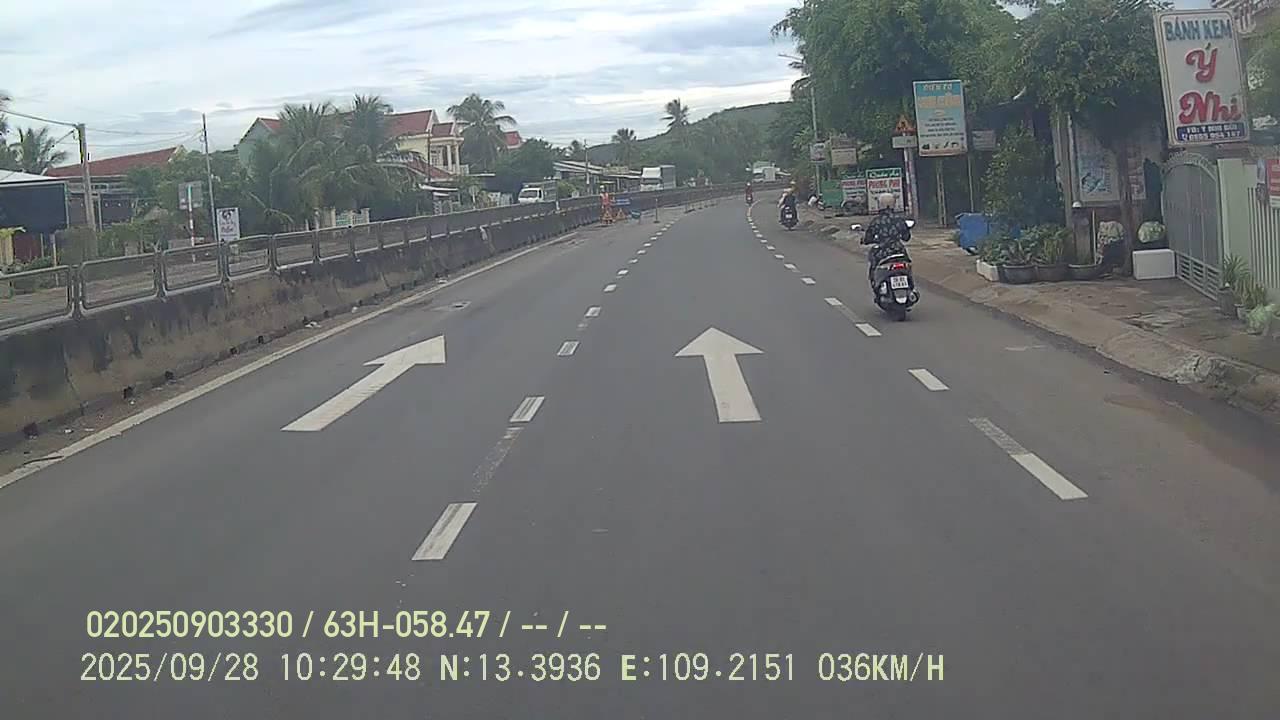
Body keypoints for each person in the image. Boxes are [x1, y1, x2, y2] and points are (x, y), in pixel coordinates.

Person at [861, 192, 911, 287]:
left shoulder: (876, 221)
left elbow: (868, 238)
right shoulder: (899, 219)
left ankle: (876, 285)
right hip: (899, 250)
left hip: (883, 251)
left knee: (874, 267)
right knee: (907, 264)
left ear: (880, 205)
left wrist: (865, 240)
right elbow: (906, 237)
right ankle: (911, 284)